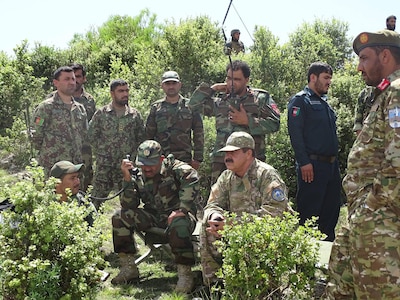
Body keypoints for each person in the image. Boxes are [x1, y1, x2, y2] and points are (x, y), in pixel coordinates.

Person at [324, 30, 400, 299]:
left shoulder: (398, 92)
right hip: (362, 215)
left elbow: (398, 161)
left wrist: (372, 207)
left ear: (386, 56)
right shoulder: (383, 94)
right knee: (340, 289)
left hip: (380, 222)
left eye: (364, 58)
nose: (359, 67)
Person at [200, 131, 293, 286]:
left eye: (233, 152)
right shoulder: (226, 176)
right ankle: (216, 286)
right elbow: (212, 204)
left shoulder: (267, 175)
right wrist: (215, 216)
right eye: (226, 153)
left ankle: (264, 287)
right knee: (207, 225)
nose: (227, 157)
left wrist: (232, 224)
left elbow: (275, 215)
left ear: (248, 153)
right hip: (235, 229)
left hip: (265, 232)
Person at [111, 140, 200, 293]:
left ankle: (185, 274)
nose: (147, 168)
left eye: (151, 163)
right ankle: (129, 268)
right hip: (154, 215)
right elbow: (129, 205)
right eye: (143, 163)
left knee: (178, 221)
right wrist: (127, 179)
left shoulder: (176, 169)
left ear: (161, 159)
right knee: (120, 216)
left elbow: (192, 178)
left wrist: (183, 209)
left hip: (181, 217)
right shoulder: (138, 174)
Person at [188, 60, 280, 184]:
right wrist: (213, 88)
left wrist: (248, 121)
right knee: (219, 200)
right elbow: (193, 105)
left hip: (250, 162)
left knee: (250, 200)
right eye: (229, 78)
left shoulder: (259, 99)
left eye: (236, 79)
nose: (231, 83)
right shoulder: (221, 100)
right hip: (221, 162)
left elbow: (275, 123)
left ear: (246, 80)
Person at [287, 61, 341, 242]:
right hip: (312, 165)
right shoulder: (300, 101)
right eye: (326, 78)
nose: (329, 82)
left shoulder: (324, 103)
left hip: (331, 166)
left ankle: (326, 260)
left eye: (330, 78)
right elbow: (295, 133)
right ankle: (304, 262)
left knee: (331, 212)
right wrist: (304, 162)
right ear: (313, 77)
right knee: (308, 214)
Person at [88, 79, 145, 209]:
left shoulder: (134, 115)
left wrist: (134, 158)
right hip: (105, 165)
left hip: (126, 166)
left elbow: (141, 139)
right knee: (95, 201)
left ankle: (127, 227)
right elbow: (91, 136)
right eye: (121, 91)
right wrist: (103, 152)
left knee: (130, 201)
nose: (125, 94)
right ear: (112, 94)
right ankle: (91, 227)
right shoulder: (102, 113)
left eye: (126, 90)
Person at [31, 66, 88, 177]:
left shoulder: (80, 109)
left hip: (74, 166)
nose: (72, 82)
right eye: (67, 79)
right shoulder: (46, 107)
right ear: (56, 83)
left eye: (73, 79)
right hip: (53, 168)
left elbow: (84, 136)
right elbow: (36, 137)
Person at [145, 71, 204, 170]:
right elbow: (148, 134)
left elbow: (199, 133)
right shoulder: (156, 107)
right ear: (162, 86)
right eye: (168, 84)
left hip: (184, 159)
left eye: (174, 83)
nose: (171, 86)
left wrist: (198, 159)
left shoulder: (190, 106)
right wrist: (148, 157)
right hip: (160, 159)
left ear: (179, 85)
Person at [69, 63, 96, 191]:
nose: (75, 80)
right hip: (64, 147)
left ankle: (83, 204)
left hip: (84, 148)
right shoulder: (55, 98)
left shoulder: (89, 100)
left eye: (78, 76)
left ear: (84, 78)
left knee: (85, 176)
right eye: (72, 76)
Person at [50, 160, 96, 226]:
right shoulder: (44, 203)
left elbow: (96, 232)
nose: (77, 182)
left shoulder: (84, 204)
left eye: (77, 177)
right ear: (57, 182)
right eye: (72, 178)